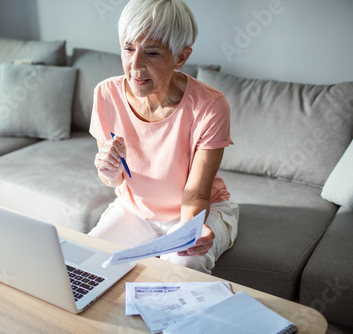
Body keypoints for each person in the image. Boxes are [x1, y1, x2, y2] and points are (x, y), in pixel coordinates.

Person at [88, 0, 239, 274]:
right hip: (137, 211)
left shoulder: (210, 106)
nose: (135, 65)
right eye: (128, 48)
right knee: (91, 262)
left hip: (196, 210)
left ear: (180, 58)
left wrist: (190, 231)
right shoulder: (106, 94)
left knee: (184, 265)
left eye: (152, 53)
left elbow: (196, 193)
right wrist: (108, 171)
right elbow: (113, 180)